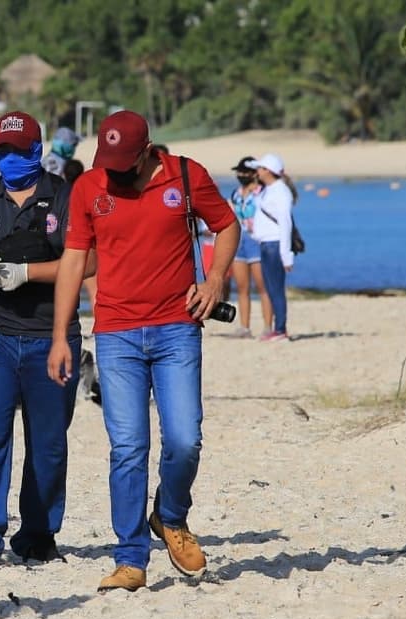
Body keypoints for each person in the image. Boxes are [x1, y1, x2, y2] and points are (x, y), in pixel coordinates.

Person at [46, 110, 240, 591]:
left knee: (184, 439)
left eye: (121, 162)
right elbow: (74, 261)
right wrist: (59, 336)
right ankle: (131, 558)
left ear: (148, 150)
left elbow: (228, 225)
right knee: (128, 448)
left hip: (178, 329)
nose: (111, 171)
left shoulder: (185, 175)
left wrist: (214, 279)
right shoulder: (89, 186)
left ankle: (170, 516)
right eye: (105, 160)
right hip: (116, 334)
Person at [0, 110, 83, 567]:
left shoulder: (66, 198)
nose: (10, 158)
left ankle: (39, 533)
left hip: (52, 334)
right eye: (2, 151)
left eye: (18, 150)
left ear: (37, 150)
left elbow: (86, 263)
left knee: (48, 441)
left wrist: (26, 273)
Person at [227, 156, 271, 337]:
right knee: (242, 287)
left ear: (254, 173)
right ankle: (244, 327)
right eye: (239, 172)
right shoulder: (236, 194)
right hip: (239, 240)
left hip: (256, 240)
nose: (241, 175)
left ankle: (268, 326)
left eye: (244, 172)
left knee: (263, 287)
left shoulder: (263, 193)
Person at [252, 153, 294, 341]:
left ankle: (281, 329)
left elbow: (286, 223)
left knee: (276, 288)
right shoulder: (267, 190)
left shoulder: (280, 191)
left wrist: (286, 255)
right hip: (266, 243)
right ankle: (278, 328)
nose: (257, 172)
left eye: (260, 168)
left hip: (274, 244)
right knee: (270, 287)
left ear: (268, 171)